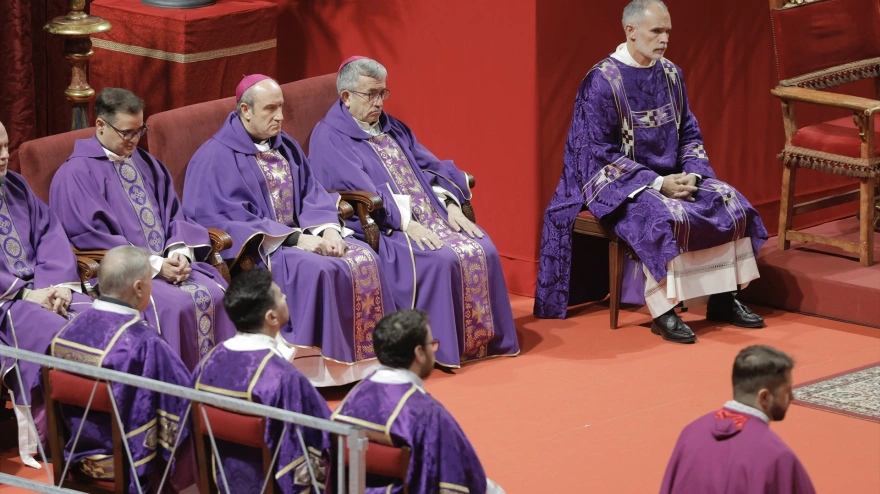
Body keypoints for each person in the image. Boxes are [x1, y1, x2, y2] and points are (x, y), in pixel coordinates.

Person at [535, 0, 769, 343]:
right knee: (658, 216)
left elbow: (689, 131)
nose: (664, 40)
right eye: (656, 31)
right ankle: (662, 311)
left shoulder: (671, 74)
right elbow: (594, 155)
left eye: (667, 32)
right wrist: (657, 183)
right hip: (622, 185)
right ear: (630, 31)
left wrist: (693, 173)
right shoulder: (602, 82)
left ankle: (723, 298)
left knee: (728, 200)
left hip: (674, 176)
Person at [184, 75, 395, 386]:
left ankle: (366, 362)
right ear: (245, 110)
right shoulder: (214, 157)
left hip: (303, 236)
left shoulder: (286, 146)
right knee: (320, 270)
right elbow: (217, 219)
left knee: (364, 257)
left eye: (281, 107)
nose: (280, 117)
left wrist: (327, 230)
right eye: (270, 109)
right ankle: (319, 371)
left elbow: (313, 191)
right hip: (263, 250)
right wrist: (297, 239)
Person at [308, 58, 520, 368]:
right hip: (383, 226)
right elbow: (358, 190)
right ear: (346, 97)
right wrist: (407, 224)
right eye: (371, 94)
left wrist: (449, 206)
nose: (379, 102)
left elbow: (430, 167)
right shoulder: (330, 137)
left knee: (483, 246)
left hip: (430, 214)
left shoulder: (391, 127)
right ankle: (439, 347)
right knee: (441, 257)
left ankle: (482, 343)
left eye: (383, 93)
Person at [49, 88, 235, 368]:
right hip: (121, 277)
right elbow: (89, 236)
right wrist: (156, 266)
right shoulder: (74, 175)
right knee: (175, 307)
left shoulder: (147, 164)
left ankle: (216, 388)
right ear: (100, 125)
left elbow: (175, 214)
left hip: (167, 265)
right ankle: (174, 395)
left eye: (140, 130)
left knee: (218, 294)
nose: (135, 140)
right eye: (128, 133)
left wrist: (179, 252)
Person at [50, 246, 192, 492]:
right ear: (139, 288)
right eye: (150, 282)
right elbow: (184, 400)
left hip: (76, 456)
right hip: (126, 463)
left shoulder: (64, 333)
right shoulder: (144, 343)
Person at [0, 120, 93, 468]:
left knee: (99, 318)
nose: (5, 156)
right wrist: (26, 296)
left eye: (7, 146)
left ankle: (108, 426)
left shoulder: (15, 186)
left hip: (42, 288)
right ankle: (66, 440)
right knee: (56, 335)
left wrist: (56, 287)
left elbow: (49, 235)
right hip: (7, 304)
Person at [332, 310, 505, 493]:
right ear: (419, 352)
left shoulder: (351, 399)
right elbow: (461, 476)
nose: (434, 350)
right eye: (432, 344)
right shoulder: (427, 414)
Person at [193, 269, 332, 493]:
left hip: (220, 482)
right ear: (272, 317)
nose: (285, 297)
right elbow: (320, 437)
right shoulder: (282, 377)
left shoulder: (205, 364)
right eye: (280, 295)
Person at [660, 345, 816, 493]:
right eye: (787, 391)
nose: (792, 398)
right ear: (764, 397)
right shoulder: (776, 455)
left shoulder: (691, 432)